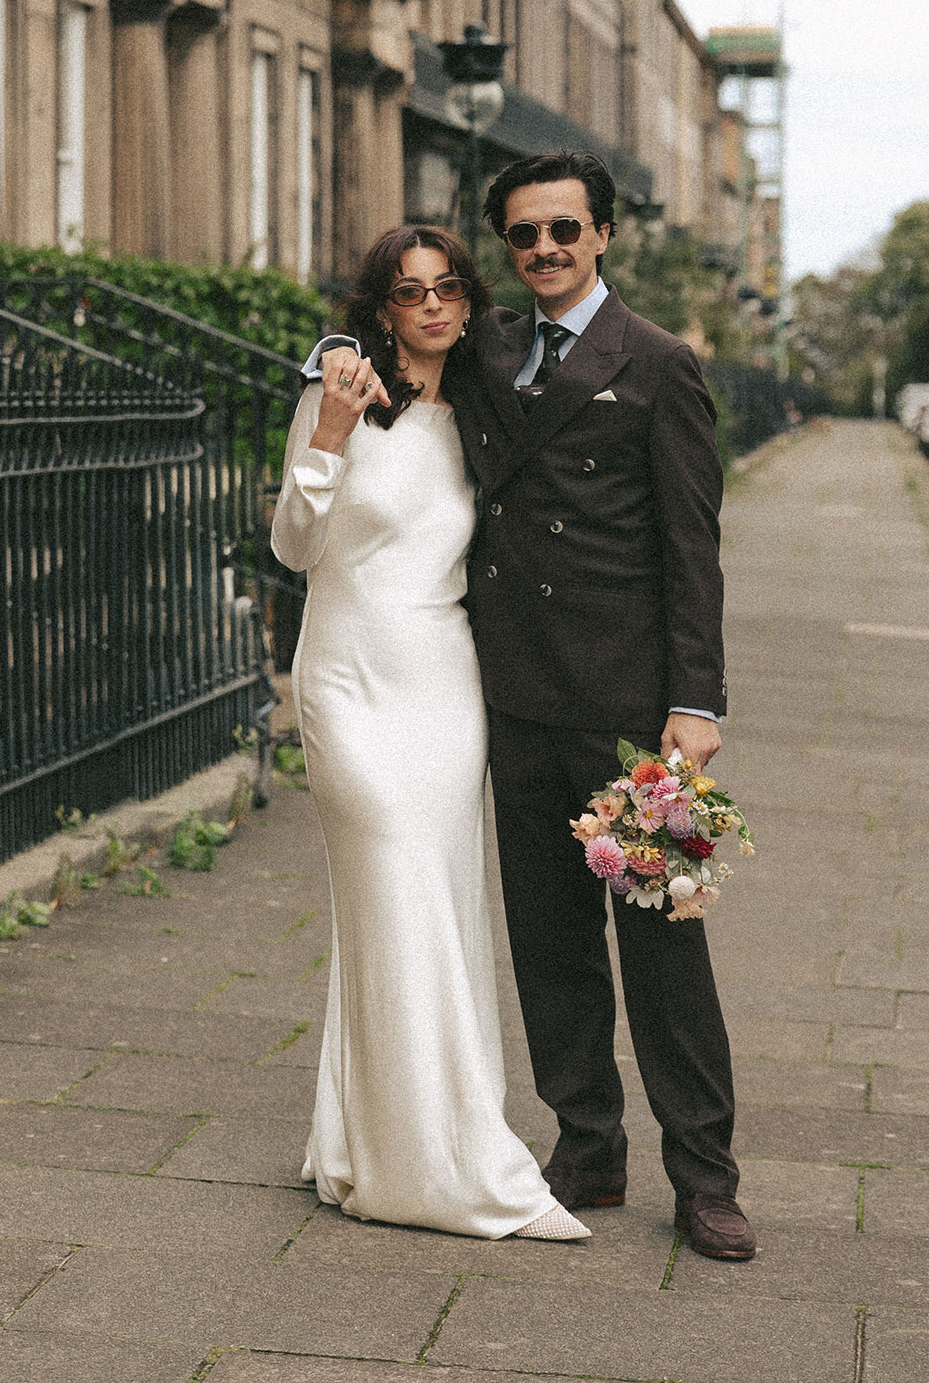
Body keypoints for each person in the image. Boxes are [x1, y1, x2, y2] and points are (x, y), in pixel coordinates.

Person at [318, 153, 752, 1261]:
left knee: (666, 949)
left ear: (603, 234)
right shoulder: (490, 346)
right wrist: (332, 353)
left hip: (633, 715)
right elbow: (383, 336)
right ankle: (589, 1148)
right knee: (552, 947)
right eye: (523, 236)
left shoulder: (659, 364)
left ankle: (704, 1176)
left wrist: (695, 704)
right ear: (505, 250)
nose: (545, 250)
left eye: (564, 230)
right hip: (507, 698)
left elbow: (691, 548)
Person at [271, 224, 589, 1242]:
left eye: (450, 288)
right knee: (396, 890)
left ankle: (359, 1143)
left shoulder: (486, 413)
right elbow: (292, 543)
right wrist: (327, 428)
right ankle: (424, 1170)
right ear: (381, 307)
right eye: (412, 293)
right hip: (349, 675)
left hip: (447, 686)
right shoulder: (343, 397)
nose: (435, 307)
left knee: (435, 911)